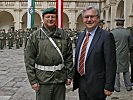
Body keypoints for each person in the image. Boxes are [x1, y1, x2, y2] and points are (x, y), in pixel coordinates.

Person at [24, 7, 73, 100]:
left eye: (53, 17)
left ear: (56, 19)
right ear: (43, 18)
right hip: (43, 80)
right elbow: (29, 60)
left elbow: (69, 57)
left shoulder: (64, 35)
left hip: (60, 79)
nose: (50, 19)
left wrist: (69, 75)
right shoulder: (35, 36)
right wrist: (33, 81)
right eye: (48, 17)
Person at [73, 6, 117, 100]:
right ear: (83, 19)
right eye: (86, 17)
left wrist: (109, 85)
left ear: (98, 18)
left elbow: (110, 63)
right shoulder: (81, 36)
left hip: (97, 85)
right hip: (82, 82)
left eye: (92, 16)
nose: (89, 19)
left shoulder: (106, 36)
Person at [111, 18, 132, 92]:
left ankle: (117, 87)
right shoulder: (128, 32)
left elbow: (110, 45)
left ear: (116, 24)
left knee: (116, 70)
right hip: (125, 54)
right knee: (126, 70)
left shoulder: (113, 32)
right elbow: (131, 44)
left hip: (115, 53)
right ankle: (128, 86)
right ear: (123, 23)